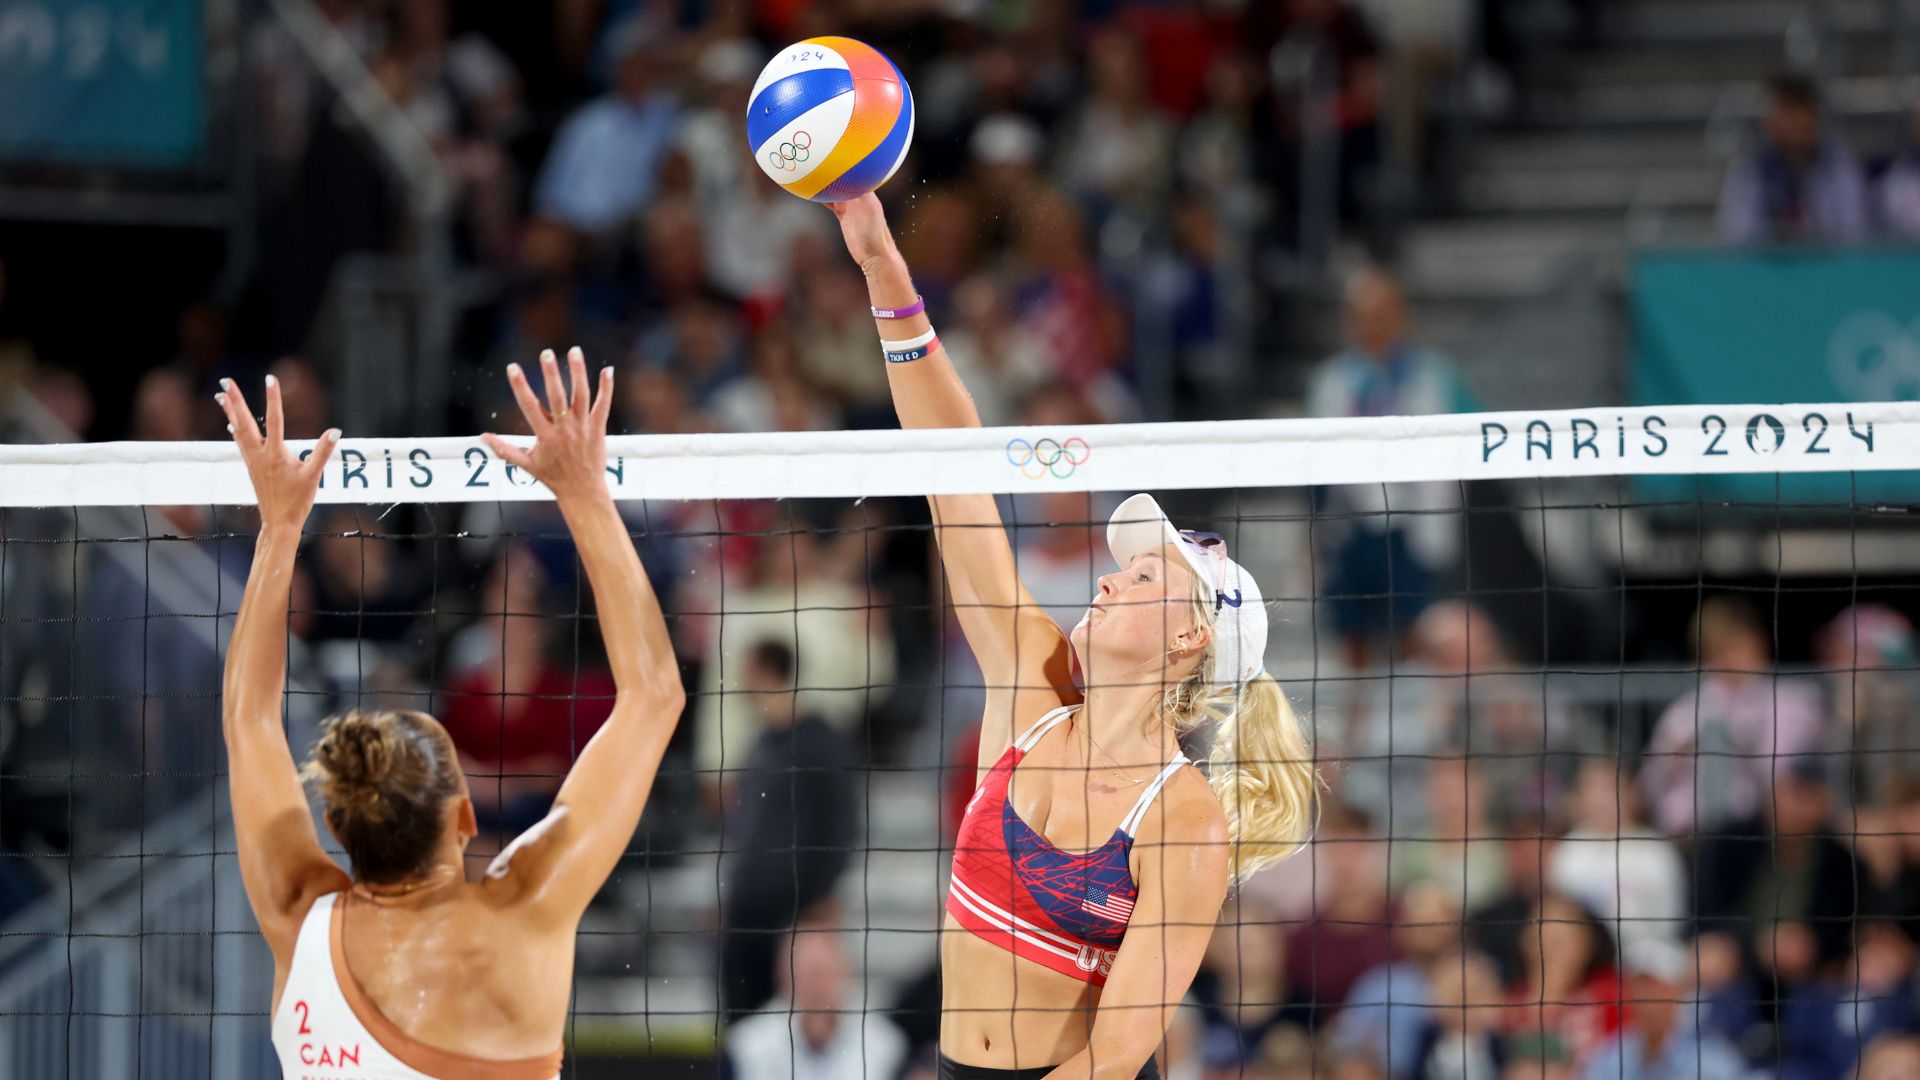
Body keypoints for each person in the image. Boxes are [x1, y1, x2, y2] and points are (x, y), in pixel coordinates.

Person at [827, 192, 1318, 1078]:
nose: (1105, 575)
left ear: (1188, 642)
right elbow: (953, 466)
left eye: (1141, 577)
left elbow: (1116, 1056)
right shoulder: (1031, 687)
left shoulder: (1182, 819)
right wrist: (883, 271)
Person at [216, 351, 686, 1077]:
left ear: (336, 824)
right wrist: (584, 493)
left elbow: (248, 719)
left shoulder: (295, 917)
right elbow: (657, 694)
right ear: (465, 817)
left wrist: (279, 528)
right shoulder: (524, 912)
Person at [1306, 267, 1477, 665]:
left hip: (1416, 527)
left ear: (1401, 316)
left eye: (1381, 313)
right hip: (1350, 529)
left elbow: (1474, 446)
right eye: (1361, 314)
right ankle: (1359, 723)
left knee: (1421, 631)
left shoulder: (1437, 377)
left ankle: (1419, 722)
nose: (1371, 324)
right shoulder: (1331, 382)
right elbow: (1312, 468)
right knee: (1353, 637)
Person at [718, 639, 861, 1016]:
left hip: (794, 912)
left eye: (748, 670)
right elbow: (745, 830)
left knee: (786, 1025)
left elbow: (842, 825)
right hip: (748, 910)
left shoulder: (820, 742)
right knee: (743, 1023)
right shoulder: (760, 743)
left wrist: (818, 898)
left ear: (767, 672)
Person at [725, 918, 910, 1080]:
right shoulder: (748, 1045)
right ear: (782, 976)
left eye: (824, 973)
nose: (816, 987)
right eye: (807, 973)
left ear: (845, 972)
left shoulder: (885, 1045)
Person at [1717, 74, 1869, 246]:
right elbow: (1737, 236)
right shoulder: (1750, 172)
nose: (1793, 123)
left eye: (1799, 111)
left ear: (1814, 117)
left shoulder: (1839, 168)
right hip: (1767, 268)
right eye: (1785, 111)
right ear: (1769, 121)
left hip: (1827, 267)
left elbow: (1853, 234)